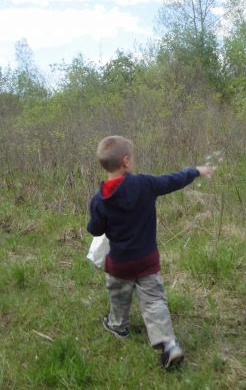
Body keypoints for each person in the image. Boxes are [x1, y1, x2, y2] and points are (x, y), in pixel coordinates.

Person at [87, 135, 212, 370]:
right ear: (126, 161)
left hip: (119, 263)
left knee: (118, 295)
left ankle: (118, 325)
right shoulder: (145, 184)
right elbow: (173, 180)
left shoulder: (99, 200)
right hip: (147, 260)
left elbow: (95, 229)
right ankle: (168, 344)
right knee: (154, 300)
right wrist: (195, 170)